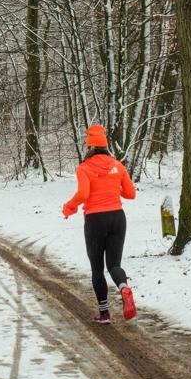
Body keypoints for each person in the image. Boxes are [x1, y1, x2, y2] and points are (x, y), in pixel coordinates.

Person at [62, 125, 137, 324]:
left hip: (95, 220)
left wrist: (69, 206)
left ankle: (104, 314)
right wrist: (112, 187)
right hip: (117, 218)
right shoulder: (118, 166)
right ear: (105, 145)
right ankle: (124, 288)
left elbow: (84, 194)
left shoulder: (84, 168)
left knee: (97, 269)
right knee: (114, 265)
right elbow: (130, 194)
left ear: (89, 146)